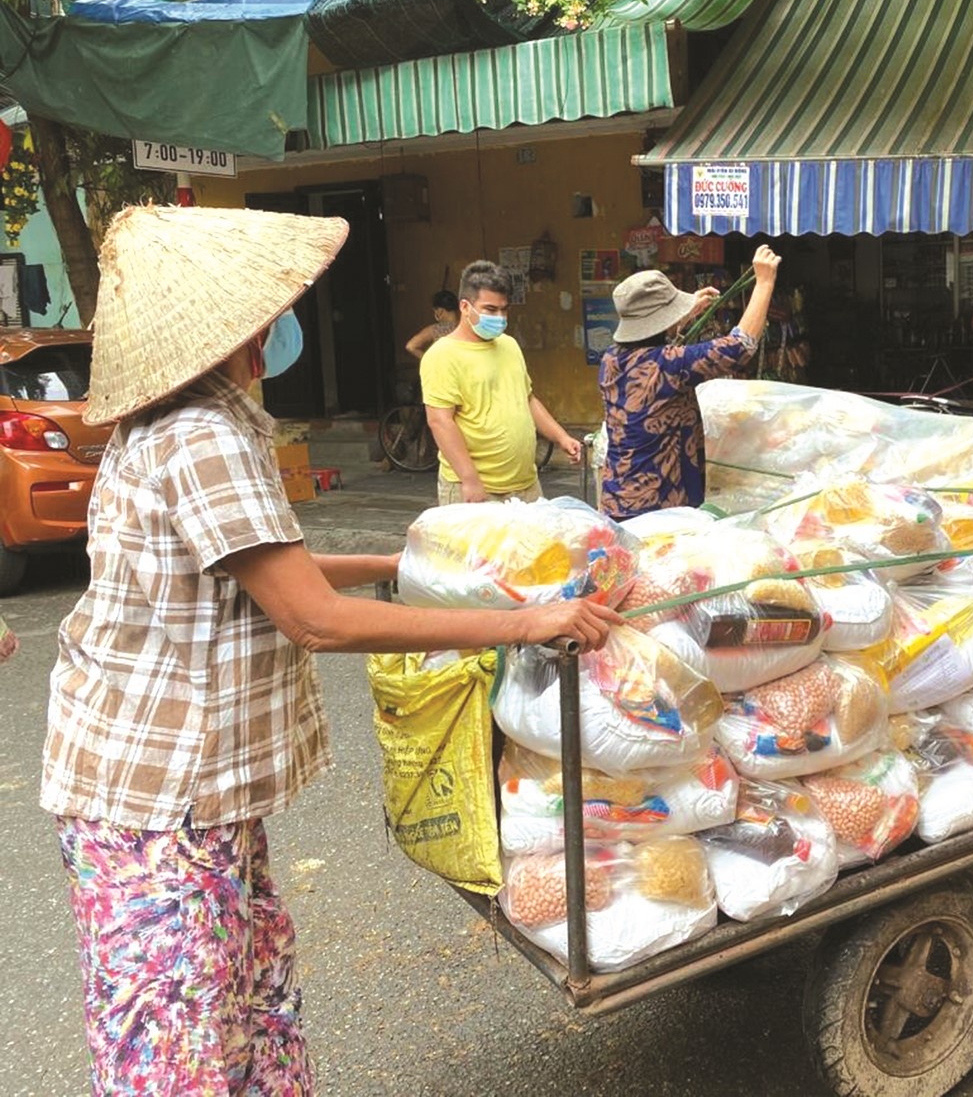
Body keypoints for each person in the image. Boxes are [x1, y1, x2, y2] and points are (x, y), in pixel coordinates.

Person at [39, 205, 621, 1094]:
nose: (285, 322)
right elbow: (315, 618)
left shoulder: (180, 422)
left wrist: (405, 557)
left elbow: (267, 568)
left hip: (187, 792)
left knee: (245, 1004)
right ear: (243, 327)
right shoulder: (203, 437)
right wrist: (527, 621)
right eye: (277, 308)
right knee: (185, 1043)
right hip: (158, 796)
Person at [598, 245, 781, 519]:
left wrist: (682, 312)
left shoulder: (611, 359)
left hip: (618, 498)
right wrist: (765, 282)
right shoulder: (667, 365)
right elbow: (740, 346)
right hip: (657, 510)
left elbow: (658, 347)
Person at [422, 260, 582, 505]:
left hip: (526, 486)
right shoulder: (443, 355)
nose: (499, 317)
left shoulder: (509, 344)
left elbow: (527, 398)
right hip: (478, 489)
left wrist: (561, 437)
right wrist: (470, 479)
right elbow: (440, 421)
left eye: (503, 309)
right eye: (489, 309)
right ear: (465, 306)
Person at [404, 288, 459, 359]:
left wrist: (430, 361)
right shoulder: (467, 327)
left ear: (440, 311)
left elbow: (411, 346)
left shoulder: (435, 330)